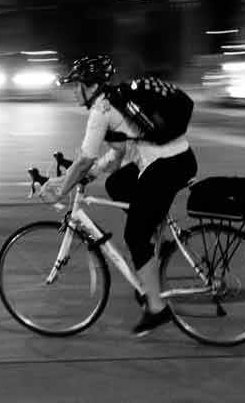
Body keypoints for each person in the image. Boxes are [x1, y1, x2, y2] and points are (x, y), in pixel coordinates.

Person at [40, 55, 197, 337]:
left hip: (167, 165)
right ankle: (156, 240)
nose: (73, 91)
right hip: (176, 159)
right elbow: (116, 154)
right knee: (117, 184)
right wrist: (84, 175)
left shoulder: (101, 109)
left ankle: (156, 308)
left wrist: (61, 189)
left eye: (76, 85)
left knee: (134, 236)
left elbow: (85, 158)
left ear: (90, 85)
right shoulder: (115, 101)